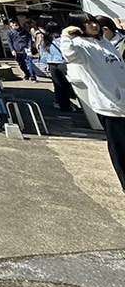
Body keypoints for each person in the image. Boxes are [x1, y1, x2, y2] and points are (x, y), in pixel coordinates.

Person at [61, 23, 125, 192]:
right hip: (109, 105)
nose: (94, 25)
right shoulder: (81, 46)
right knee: (120, 147)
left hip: (122, 101)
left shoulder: (106, 43)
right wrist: (66, 37)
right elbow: (70, 56)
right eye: (87, 23)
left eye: (94, 21)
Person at [38, 21, 77, 112]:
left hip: (52, 65)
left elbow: (43, 54)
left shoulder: (46, 40)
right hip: (64, 63)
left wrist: (46, 64)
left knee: (58, 86)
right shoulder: (62, 39)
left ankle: (64, 107)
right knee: (70, 84)